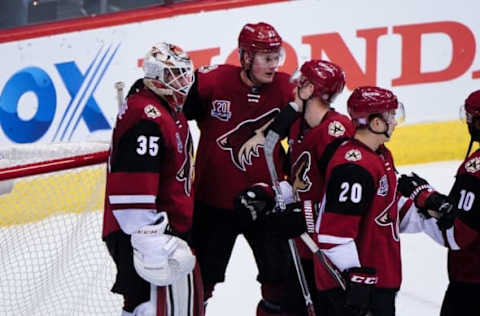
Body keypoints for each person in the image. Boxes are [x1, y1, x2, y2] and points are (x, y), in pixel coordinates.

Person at [182, 22, 296, 315]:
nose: (273, 65)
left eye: (276, 57)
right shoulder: (212, 82)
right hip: (213, 203)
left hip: (265, 203)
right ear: (245, 57)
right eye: (265, 57)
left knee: (279, 280)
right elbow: (172, 104)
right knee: (202, 280)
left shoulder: (288, 89)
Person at [102, 42, 204, 316]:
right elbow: (132, 186)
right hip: (144, 233)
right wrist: (148, 237)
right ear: (155, 76)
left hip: (166, 229)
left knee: (169, 306)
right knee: (147, 307)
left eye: (185, 74)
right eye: (174, 75)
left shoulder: (169, 110)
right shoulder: (147, 117)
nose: (183, 82)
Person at [396, 90, 480, 316]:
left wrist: (424, 196)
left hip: (471, 284)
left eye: (471, 118)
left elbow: (458, 236)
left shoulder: (475, 172)